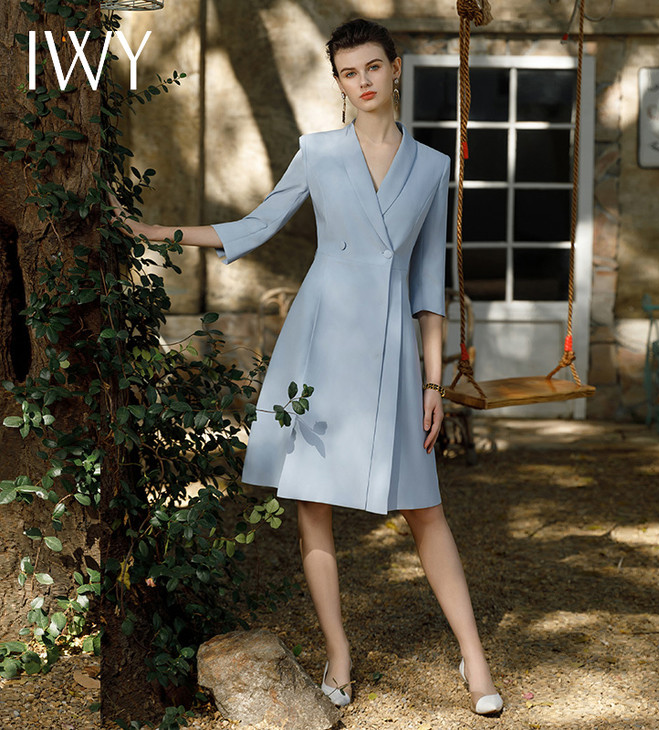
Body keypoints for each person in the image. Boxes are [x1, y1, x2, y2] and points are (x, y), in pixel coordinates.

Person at [111, 17, 503, 717]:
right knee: (312, 508)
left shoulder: (432, 166)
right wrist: (151, 232)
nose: (364, 81)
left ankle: (475, 658)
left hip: (393, 353)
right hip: (318, 346)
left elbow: (428, 286)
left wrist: (434, 382)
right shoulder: (318, 152)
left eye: (373, 67)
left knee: (425, 509)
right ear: (339, 83)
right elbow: (255, 225)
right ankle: (339, 656)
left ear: (396, 68)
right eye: (350, 73)